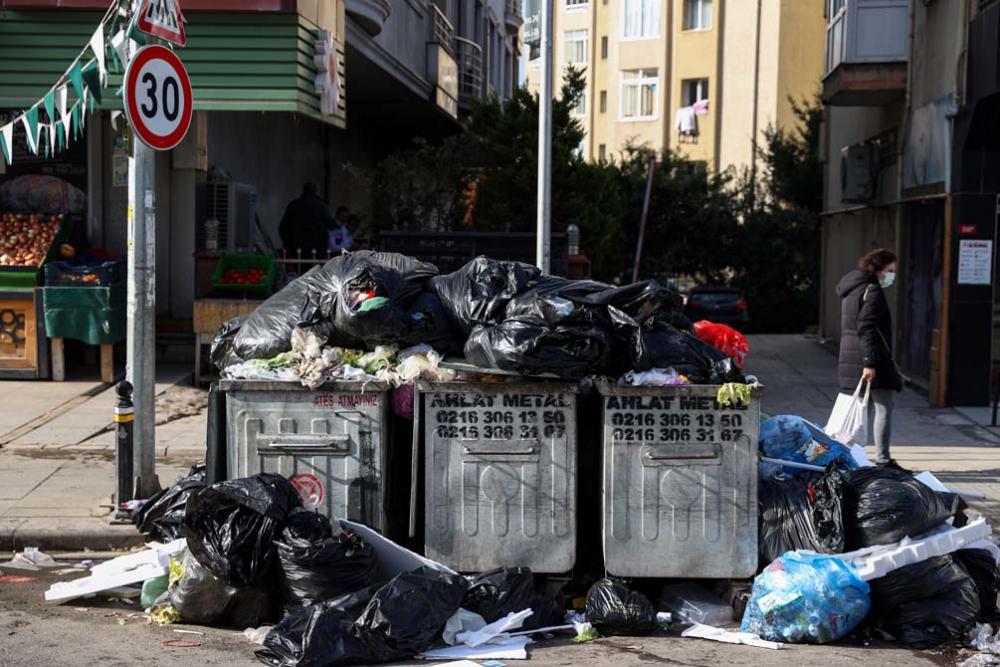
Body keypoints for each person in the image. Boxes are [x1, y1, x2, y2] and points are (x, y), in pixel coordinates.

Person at [836, 248, 905, 471]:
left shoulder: (851, 289)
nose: (892, 275)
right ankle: (883, 460)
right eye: (890, 270)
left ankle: (850, 455)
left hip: (852, 355)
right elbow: (866, 327)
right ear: (878, 270)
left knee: (866, 409)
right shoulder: (872, 290)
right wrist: (869, 362)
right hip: (871, 357)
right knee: (884, 406)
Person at [278, 182, 337, 257]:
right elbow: (332, 225)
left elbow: (282, 229)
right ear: (316, 192)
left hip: (297, 250)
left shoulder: (293, 206)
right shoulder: (321, 206)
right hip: (318, 250)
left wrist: (289, 245)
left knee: (301, 268)